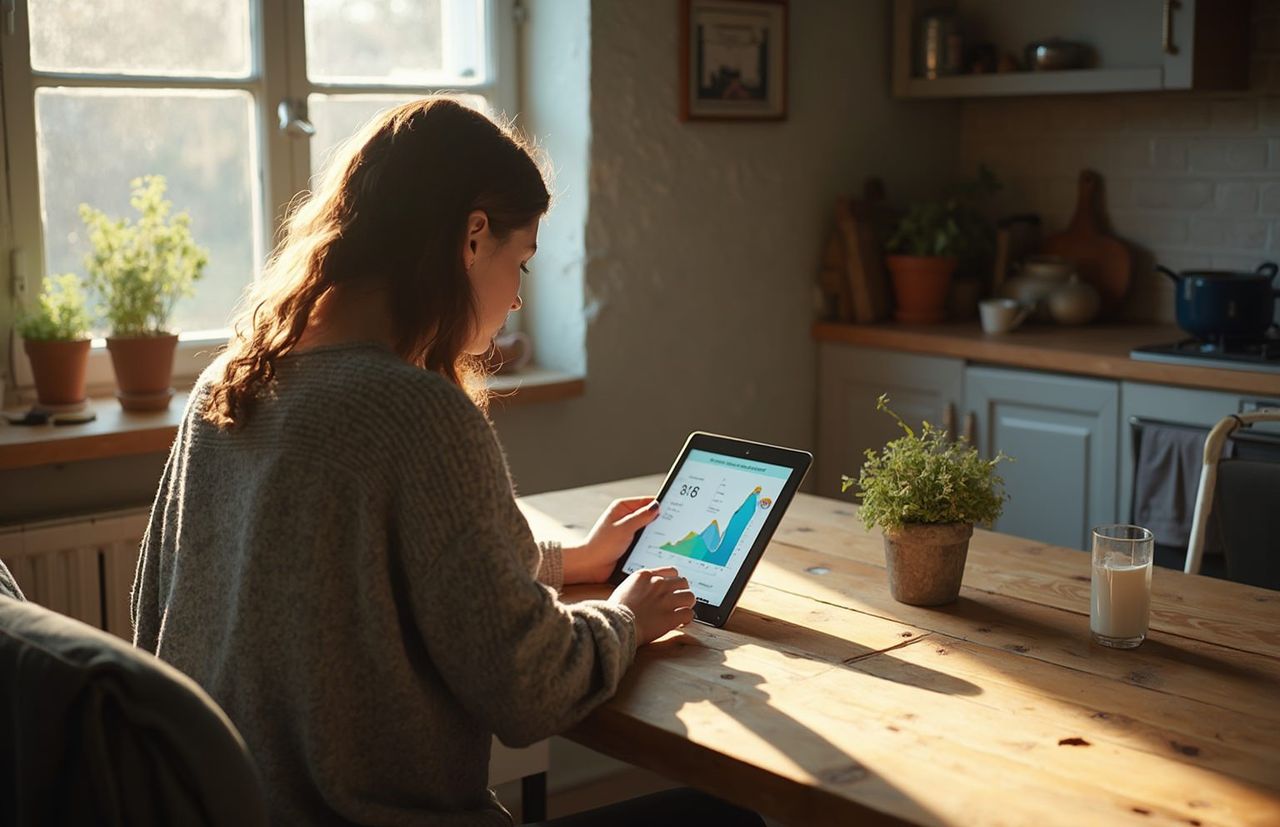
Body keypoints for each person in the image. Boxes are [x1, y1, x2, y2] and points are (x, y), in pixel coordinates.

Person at [130, 98, 764, 827]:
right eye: (519, 262)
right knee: (727, 818)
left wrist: (567, 561)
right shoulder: (416, 412)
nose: (519, 298)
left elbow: (168, 615)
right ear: (471, 237)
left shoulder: (229, 384)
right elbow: (529, 688)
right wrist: (626, 617)